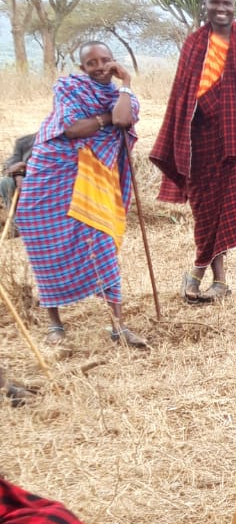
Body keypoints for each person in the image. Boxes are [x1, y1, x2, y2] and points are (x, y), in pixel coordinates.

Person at [150, 0, 236, 303]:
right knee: (205, 210)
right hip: (202, 141)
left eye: (227, 4)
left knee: (227, 208)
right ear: (204, 5)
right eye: (214, 3)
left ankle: (210, 278)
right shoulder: (194, 44)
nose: (221, 9)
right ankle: (205, 275)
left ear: (235, 6)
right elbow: (184, 94)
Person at [16, 43, 147, 347]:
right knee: (45, 247)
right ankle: (55, 325)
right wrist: (105, 118)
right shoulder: (67, 87)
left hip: (95, 182)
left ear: (113, 62)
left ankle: (117, 326)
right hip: (51, 176)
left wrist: (126, 85)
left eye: (104, 60)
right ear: (82, 68)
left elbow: (124, 120)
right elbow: (73, 128)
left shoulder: (123, 96)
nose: (99, 67)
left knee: (102, 246)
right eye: (91, 63)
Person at [1, 134, 34, 230]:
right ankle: (15, 225)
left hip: (49, 182)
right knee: (6, 182)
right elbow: (10, 166)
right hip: (26, 180)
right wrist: (18, 175)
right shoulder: (25, 142)